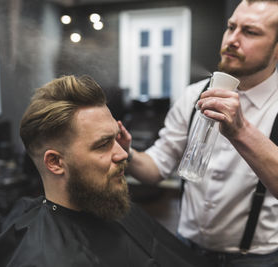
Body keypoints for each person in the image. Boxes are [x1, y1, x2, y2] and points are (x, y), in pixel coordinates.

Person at [0, 75, 212, 267]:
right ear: (55, 163)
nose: (123, 154)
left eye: (116, 138)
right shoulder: (40, 258)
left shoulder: (105, 202)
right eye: (102, 144)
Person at [117, 0, 278, 266]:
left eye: (250, 32)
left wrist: (240, 131)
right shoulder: (194, 95)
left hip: (256, 258)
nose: (232, 40)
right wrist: (128, 154)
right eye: (231, 27)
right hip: (185, 247)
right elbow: (157, 167)